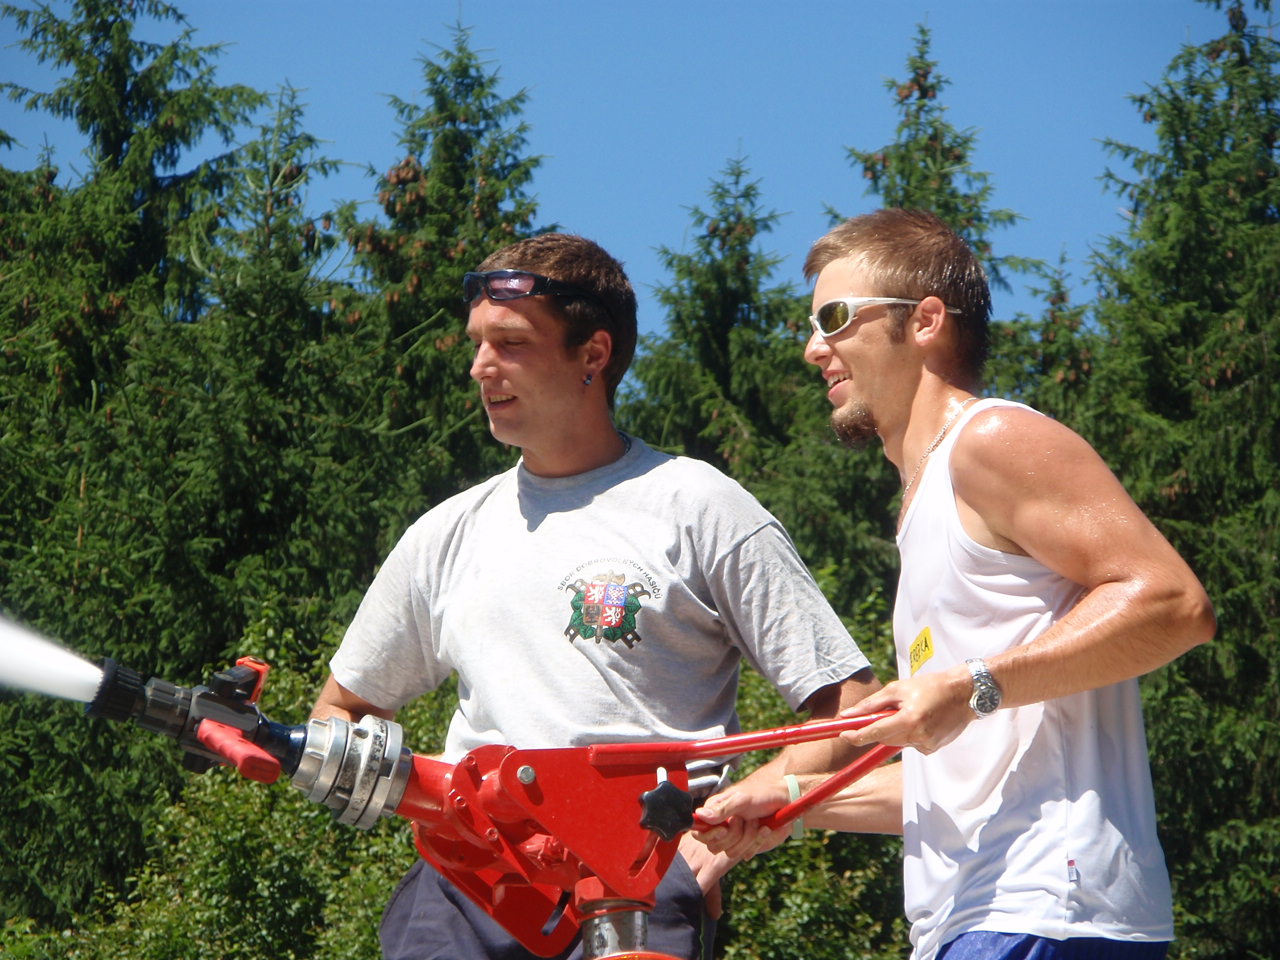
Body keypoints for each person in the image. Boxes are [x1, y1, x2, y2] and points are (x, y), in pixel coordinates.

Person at [309, 232, 880, 960]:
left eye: (511, 343)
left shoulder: (698, 506)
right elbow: (342, 710)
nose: (481, 366)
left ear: (594, 354)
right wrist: (403, 792)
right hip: (461, 889)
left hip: (634, 882)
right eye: (478, 344)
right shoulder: (446, 532)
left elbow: (855, 709)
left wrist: (724, 832)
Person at [695, 209, 1216, 960]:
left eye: (834, 318)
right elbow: (960, 783)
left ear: (926, 321)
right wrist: (794, 802)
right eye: (809, 326)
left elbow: (1174, 603)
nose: (813, 349)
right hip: (981, 919)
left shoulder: (990, 440)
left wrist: (972, 687)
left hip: (1044, 906)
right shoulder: (927, 504)